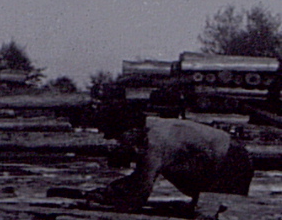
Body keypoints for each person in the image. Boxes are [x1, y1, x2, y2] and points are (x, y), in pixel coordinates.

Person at [90, 85, 253, 210]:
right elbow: (141, 176)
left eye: (120, 138)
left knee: (221, 214)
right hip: (223, 158)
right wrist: (114, 188)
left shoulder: (157, 140)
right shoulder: (152, 130)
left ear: (131, 130)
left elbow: (141, 192)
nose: (120, 143)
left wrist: (109, 196)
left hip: (233, 159)